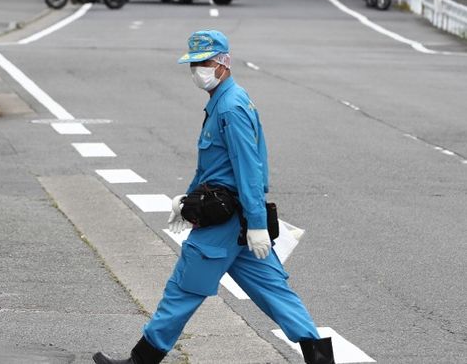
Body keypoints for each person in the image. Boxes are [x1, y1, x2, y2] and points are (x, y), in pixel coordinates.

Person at [92, 30, 334, 364]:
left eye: (203, 62)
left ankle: (140, 361)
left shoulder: (230, 108)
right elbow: (215, 165)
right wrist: (187, 200)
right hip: (235, 220)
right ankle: (321, 359)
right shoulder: (225, 101)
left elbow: (249, 171)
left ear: (223, 63)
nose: (196, 70)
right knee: (276, 293)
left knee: (182, 289)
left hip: (224, 222)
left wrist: (258, 224)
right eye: (193, 63)